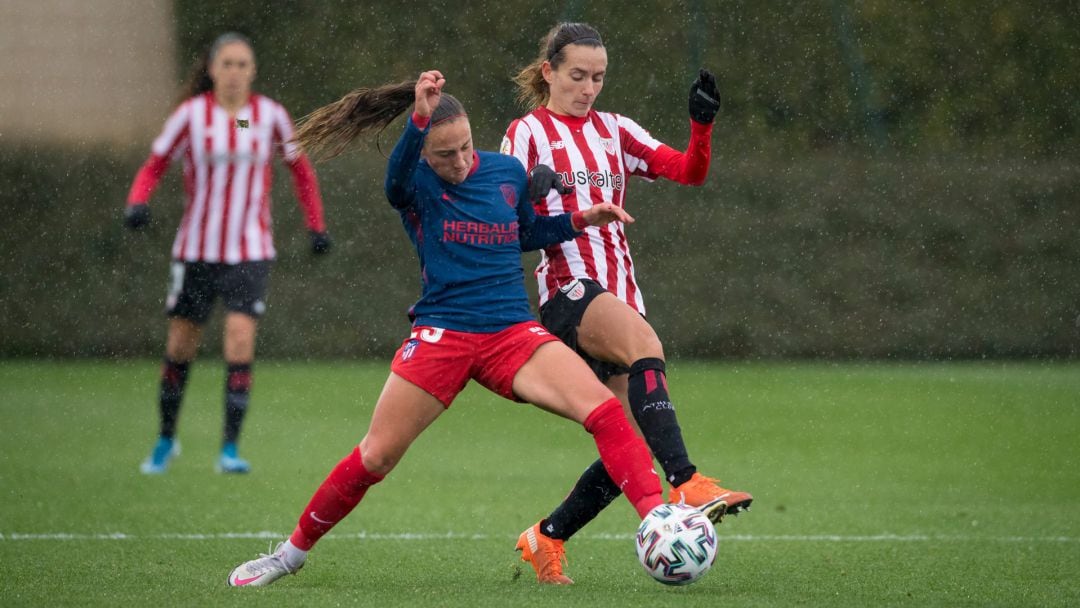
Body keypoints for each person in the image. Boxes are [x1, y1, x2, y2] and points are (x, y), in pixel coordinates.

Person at [226, 70, 689, 588]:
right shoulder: (413, 183)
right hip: (441, 336)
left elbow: (526, 234)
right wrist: (419, 116)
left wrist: (581, 220)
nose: (461, 161)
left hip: (512, 333)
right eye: (445, 154)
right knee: (376, 455)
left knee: (605, 411)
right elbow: (396, 176)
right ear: (424, 153)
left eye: (466, 147)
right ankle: (289, 555)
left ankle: (656, 518)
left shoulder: (507, 172)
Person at [502, 22, 753, 584]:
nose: (589, 88)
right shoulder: (526, 135)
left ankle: (545, 537)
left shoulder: (615, 130)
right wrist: (542, 200)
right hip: (569, 290)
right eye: (577, 76)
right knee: (646, 345)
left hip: (619, 293)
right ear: (549, 73)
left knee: (627, 444)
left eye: (598, 77)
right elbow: (511, 230)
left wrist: (702, 125)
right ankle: (687, 481)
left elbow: (689, 171)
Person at [124, 32, 332, 475]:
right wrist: (138, 200)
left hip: (250, 251)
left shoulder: (269, 116)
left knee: (239, 340)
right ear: (212, 69)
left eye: (243, 64)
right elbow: (155, 162)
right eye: (227, 64)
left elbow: (301, 170)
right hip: (195, 251)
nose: (235, 72)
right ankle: (165, 440)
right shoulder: (191, 116)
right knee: (181, 346)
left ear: (252, 71)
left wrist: (317, 226)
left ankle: (229, 450)